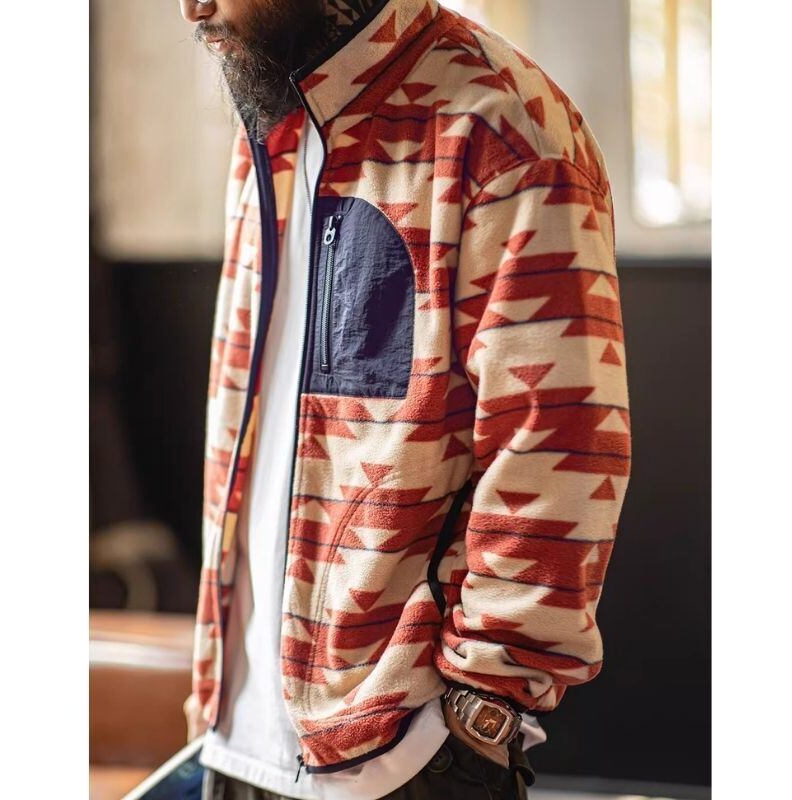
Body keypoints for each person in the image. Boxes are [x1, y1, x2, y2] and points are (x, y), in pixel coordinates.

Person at [177, 2, 632, 799]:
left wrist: (478, 713)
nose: (192, 7)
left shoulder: (504, 127)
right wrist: (213, 694)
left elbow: (559, 444)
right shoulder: (266, 128)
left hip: (405, 759)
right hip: (234, 745)